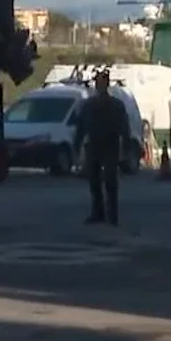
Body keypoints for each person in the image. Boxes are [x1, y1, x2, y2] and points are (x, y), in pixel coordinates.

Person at [73, 71, 129, 226]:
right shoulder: (89, 105)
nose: (100, 87)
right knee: (94, 181)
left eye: (102, 83)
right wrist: (76, 146)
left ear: (107, 85)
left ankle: (113, 215)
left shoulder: (116, 105)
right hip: (94, 145)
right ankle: (98, 213)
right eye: (98, 84)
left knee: (110, 181)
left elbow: (124, 127)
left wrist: (125, 148)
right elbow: (81, 127)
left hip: (110, 144)